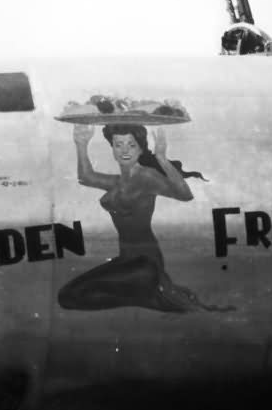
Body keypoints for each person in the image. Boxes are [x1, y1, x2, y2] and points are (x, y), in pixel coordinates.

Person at [58, 123, 233, 313]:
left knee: (73, 296)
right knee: (67, 297)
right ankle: (142, 298)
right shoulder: (118, 181)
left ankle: (145, 295)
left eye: (131, 145)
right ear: (113, 149)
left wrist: (162, 158)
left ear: (141, 148)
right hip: (125, 260)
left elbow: (185, 195)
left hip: (145, 264)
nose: (124, 150)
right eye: (118, 145)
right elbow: (86, 177)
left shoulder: (148, 177)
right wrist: (81, 143)